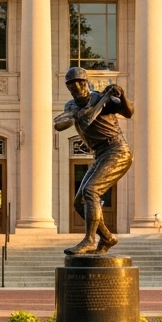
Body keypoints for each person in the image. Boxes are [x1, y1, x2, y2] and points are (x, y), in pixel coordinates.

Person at [54, 66, 134, 255]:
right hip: (99, 154)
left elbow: (129, 112)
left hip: (117, 150)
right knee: (78, 202)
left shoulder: (101, 99)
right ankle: (107, 238)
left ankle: (90, 240)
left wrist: (121, 95)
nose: (76, 88)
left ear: (86, 83)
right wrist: (74, 116)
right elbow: (59, 125)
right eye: (71, 86)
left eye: (79, 84)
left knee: (91, 191)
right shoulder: (71, 106)